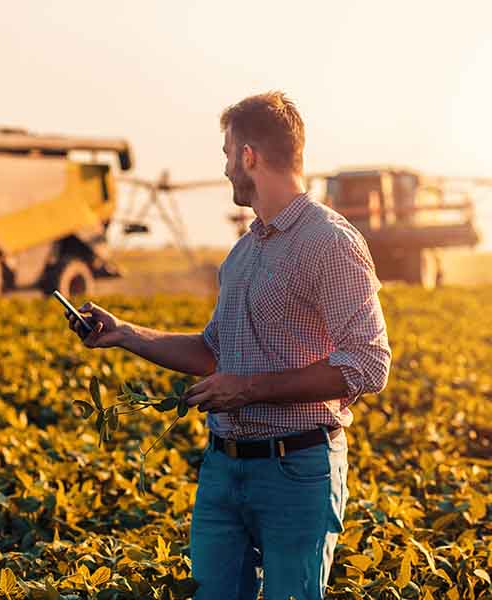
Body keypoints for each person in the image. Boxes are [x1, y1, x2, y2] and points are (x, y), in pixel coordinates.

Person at [64, 91, 392, 600]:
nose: (223, 169)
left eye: (225, 154)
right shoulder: (244, 251)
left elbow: (368, 363)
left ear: (248, 156)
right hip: (223, 467)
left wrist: (250, 390)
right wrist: (125, 334)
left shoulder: (329, 241)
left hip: (295, 468)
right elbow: (214, 352)